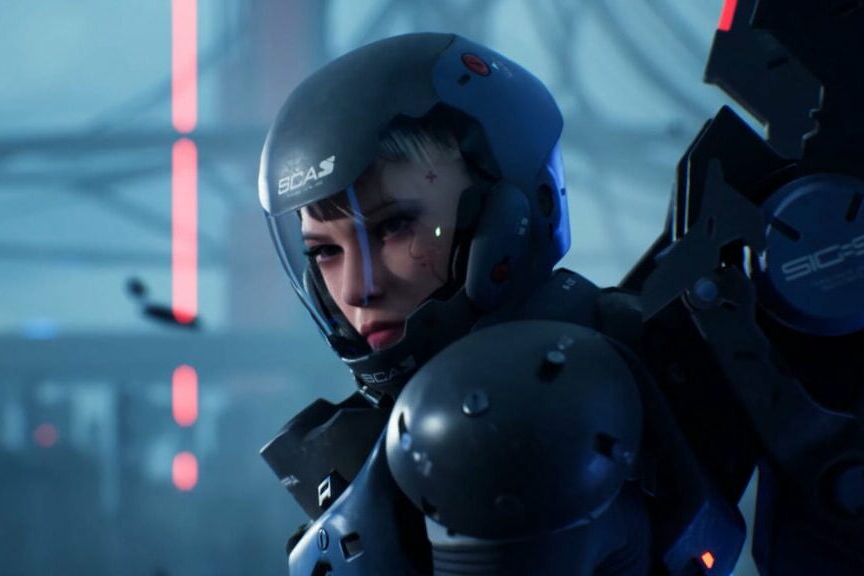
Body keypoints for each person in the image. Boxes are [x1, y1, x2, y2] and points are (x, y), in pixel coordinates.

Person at [258, 33, 662, 575]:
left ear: (510, 212)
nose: (356, 289)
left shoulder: (520, 413)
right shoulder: (386, 442)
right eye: (325, 252)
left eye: (394, 227)